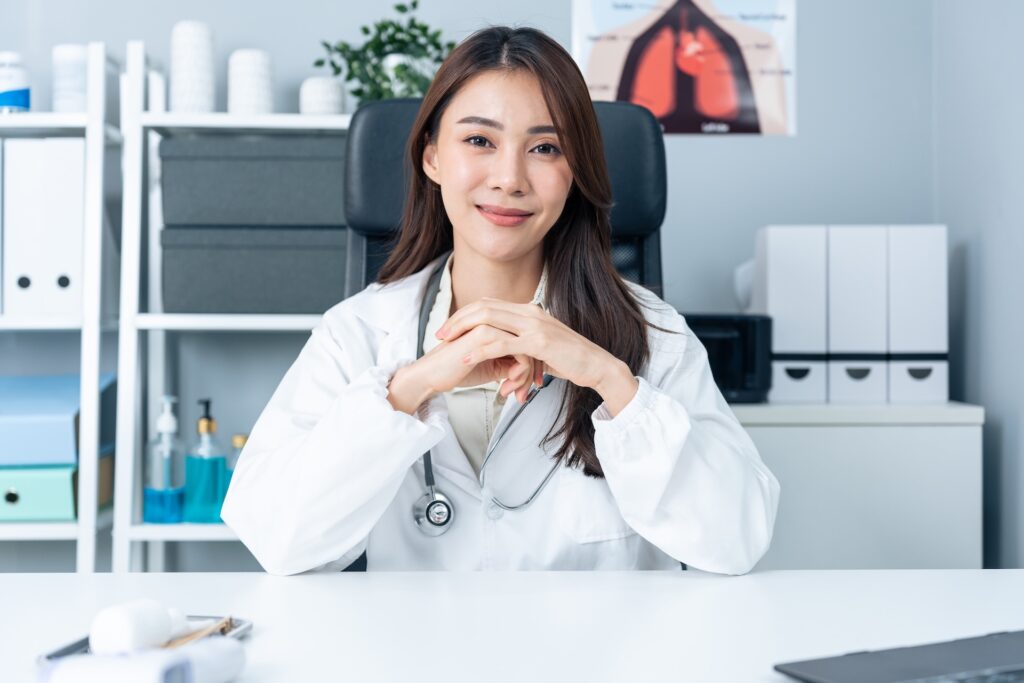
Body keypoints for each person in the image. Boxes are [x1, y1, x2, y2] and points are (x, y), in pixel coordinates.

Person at [220, 25, 780, 576]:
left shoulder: (653, 332)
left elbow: (737, 539)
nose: (510, 178)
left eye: (545, 147)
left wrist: (611, 380)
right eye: (479, 140)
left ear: (574, 173)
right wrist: (408, 389)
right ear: (432, 158)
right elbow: (277, 539)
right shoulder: (361, 332)